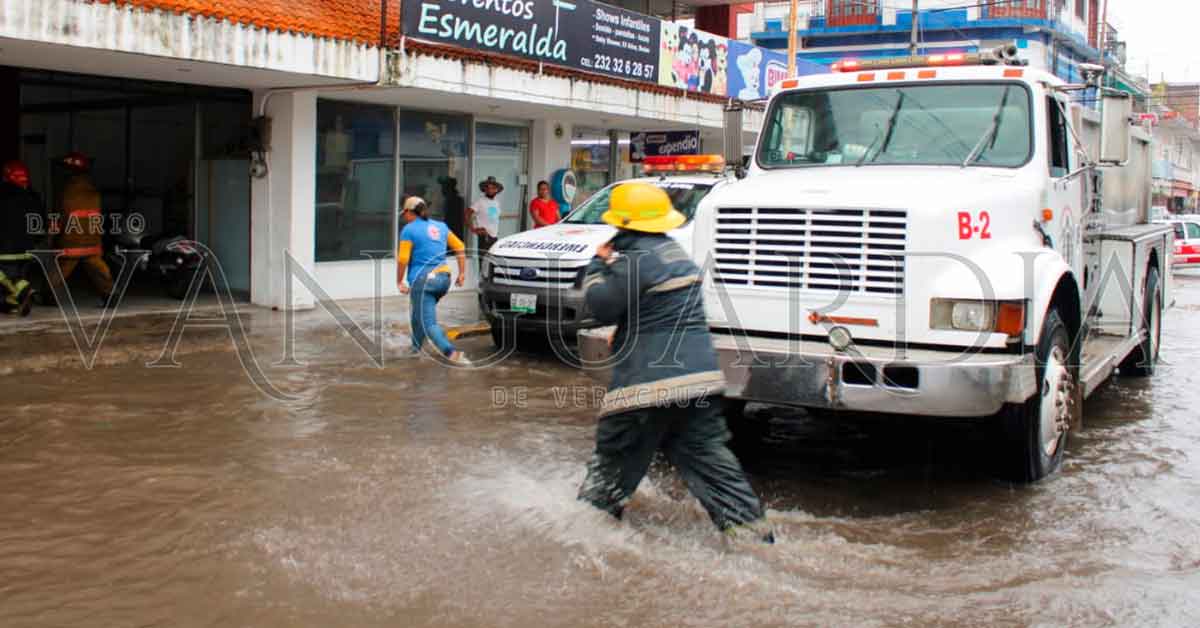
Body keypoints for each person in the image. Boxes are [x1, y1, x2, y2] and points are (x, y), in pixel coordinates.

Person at [576, 182, 772, 543]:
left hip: (644, 390)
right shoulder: (676, 255)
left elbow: (600, 304)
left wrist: (596, 265)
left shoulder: (633, 259)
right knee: (714, 468)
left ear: (623, 223)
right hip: (700, 385)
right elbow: (655, 310)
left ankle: (585, 534)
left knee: (611, 470)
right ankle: (755, 538)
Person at [396, 195, 470, 365]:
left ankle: (451, 353)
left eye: (404, 214)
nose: (404, 218)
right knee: (418, 315)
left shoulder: (409, 229)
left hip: (423, 281)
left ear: (409, 212)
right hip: (444, 279)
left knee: (428, 323)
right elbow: (460, 247)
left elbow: (403, 259)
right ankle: (415, 349)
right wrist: (462, 273)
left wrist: (399, 281)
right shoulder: (441, 226)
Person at [50, 152, 114, 308]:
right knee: (100, 270)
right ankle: (110, 294)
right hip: (92, 242)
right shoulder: (93, 192)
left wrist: (51, 238)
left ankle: (50, 296)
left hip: (71, 242)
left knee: (60, 271)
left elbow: (58, 218)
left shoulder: (65, 192)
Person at [0, 160, 40, 316]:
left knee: (9, 279)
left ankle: (23, 291)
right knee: (16, 276)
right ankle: (11, 305)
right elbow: (39, 223)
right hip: (28, 251)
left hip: (4, 249)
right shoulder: (33, 196)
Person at [468, 176, 503, 254]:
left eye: (493, 188)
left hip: (494, 236)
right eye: (488, 188)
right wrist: (473, 229)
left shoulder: (497, 202)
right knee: (484, 262)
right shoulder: (480, 201)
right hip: (484, 236)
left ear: (496, 190)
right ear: (485, 189)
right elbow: (467, 213)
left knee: (492, 262)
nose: (490, 190)